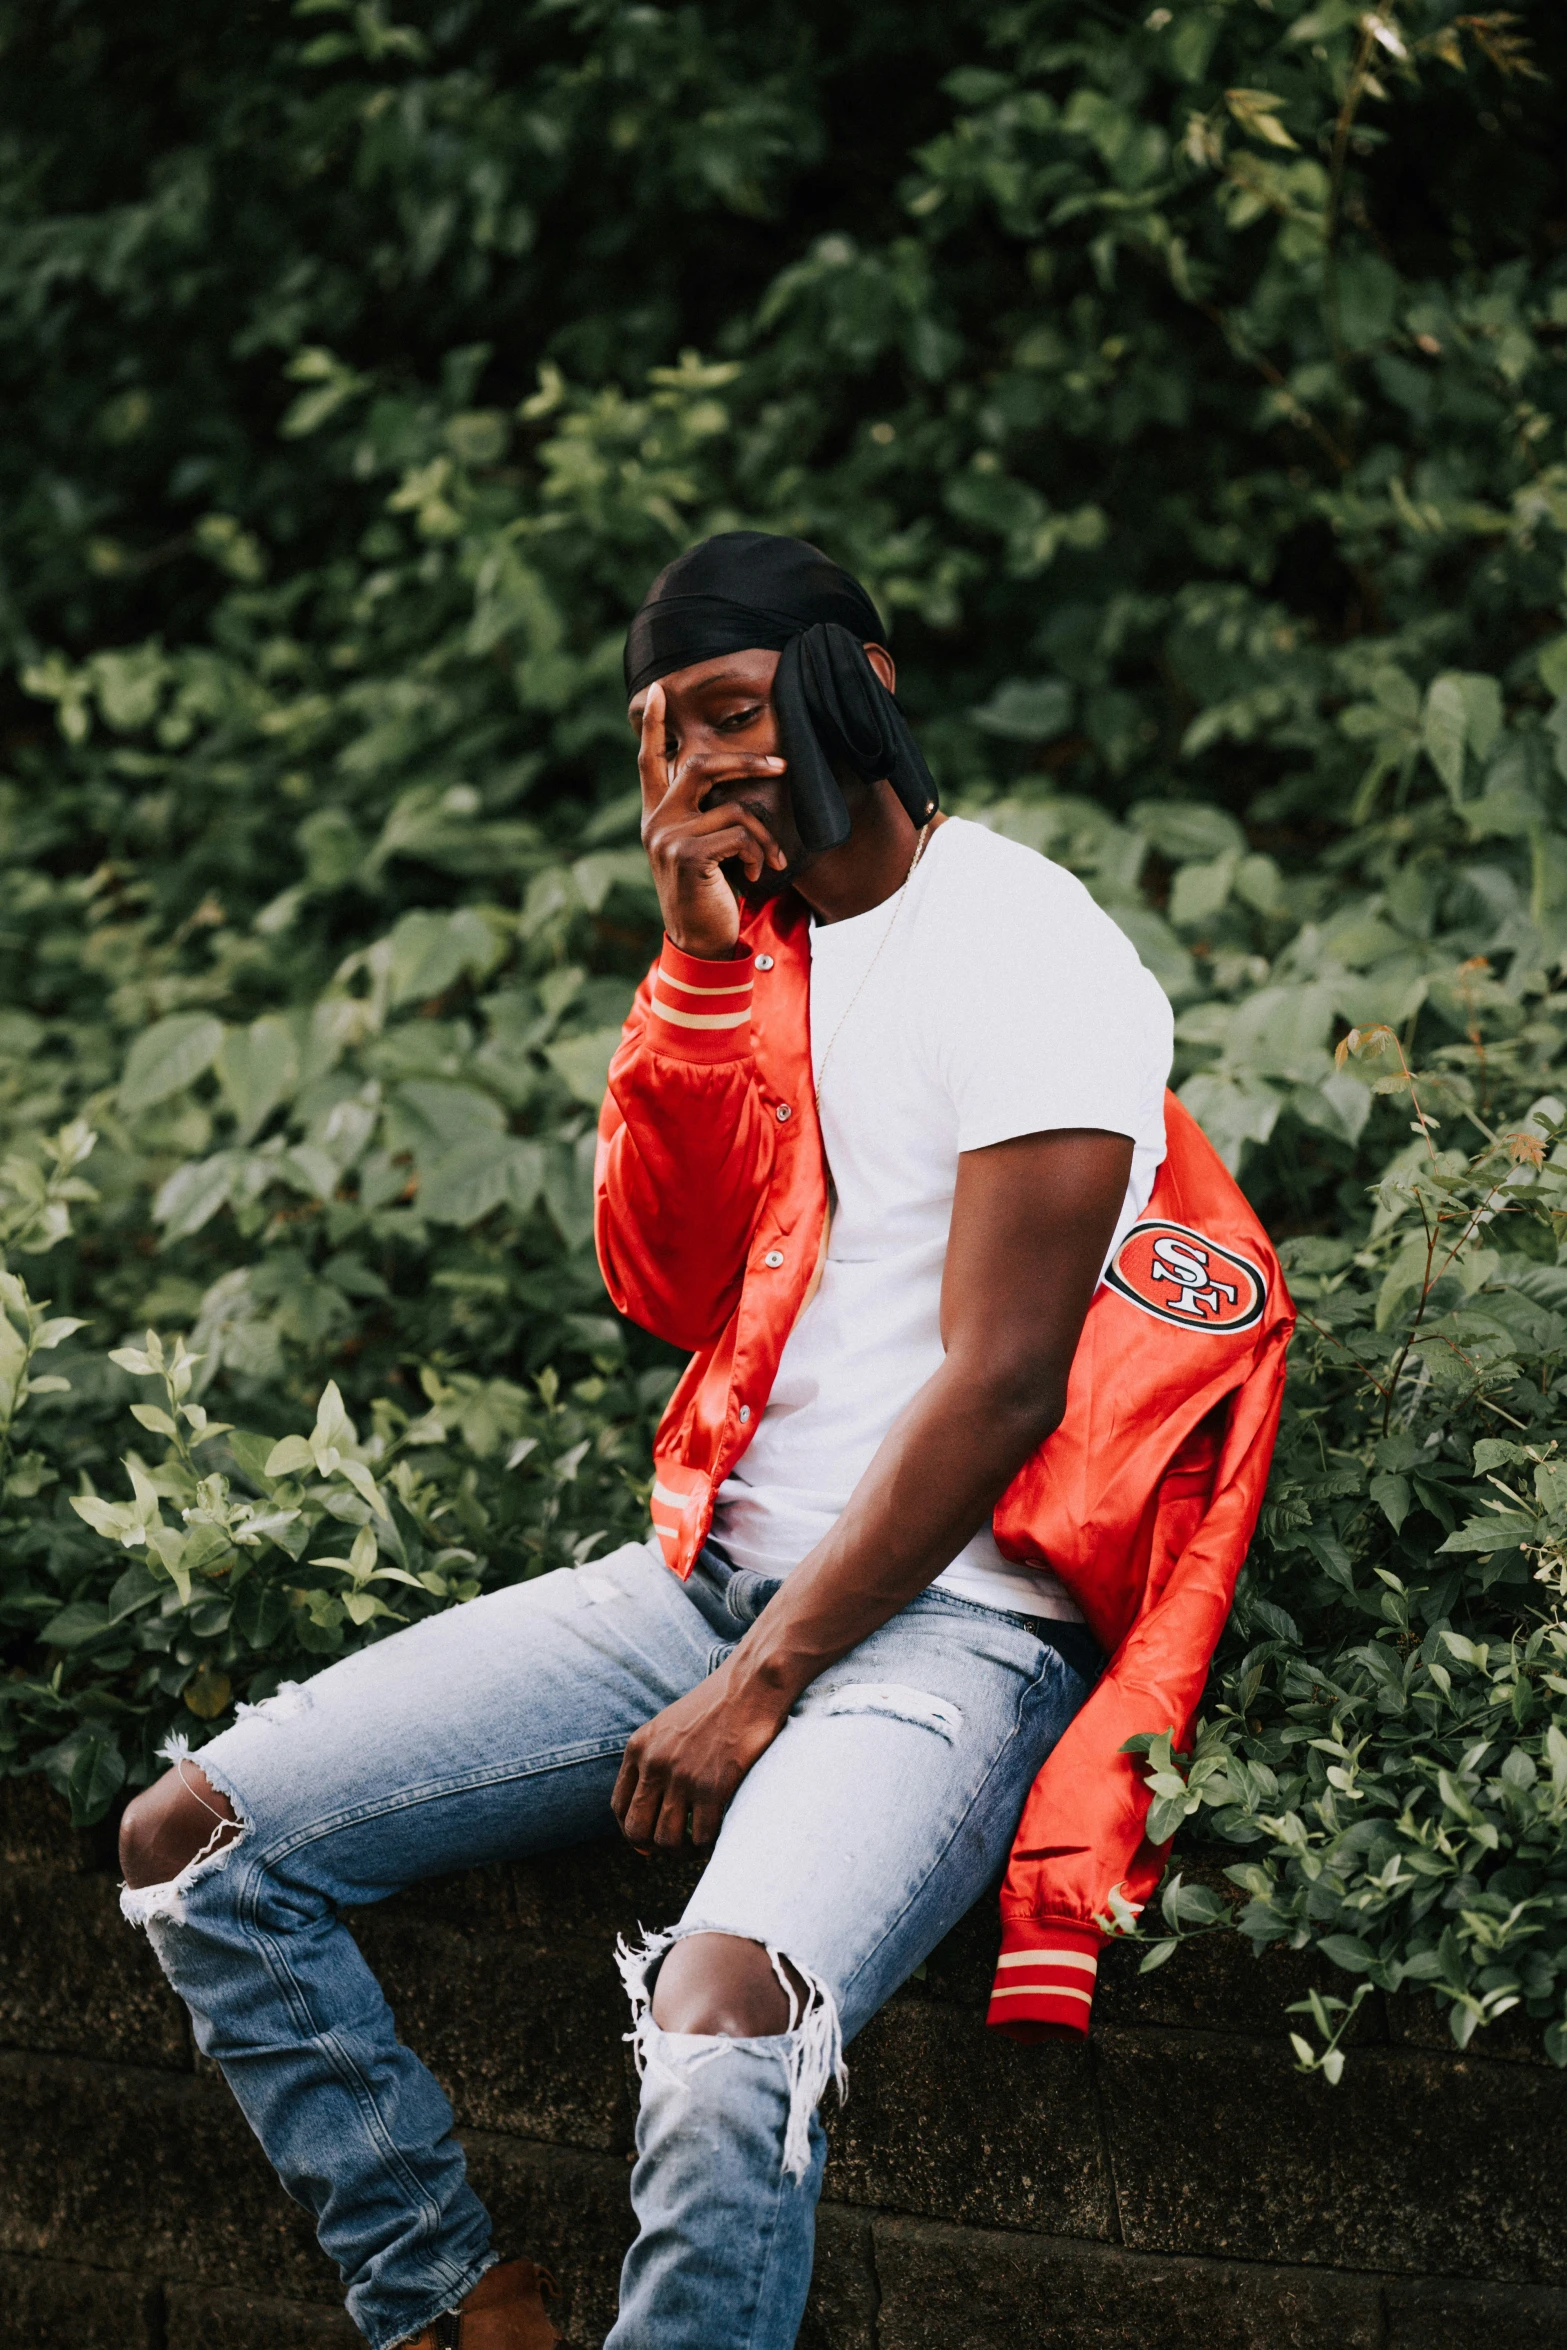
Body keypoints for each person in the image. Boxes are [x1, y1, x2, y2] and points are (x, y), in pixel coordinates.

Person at [116, 532, 1291, 2350]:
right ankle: (453, 2308)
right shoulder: (766, 961)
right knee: (198, 1843)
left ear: (859, 686)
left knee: (725, 2028)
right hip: (705, 1574)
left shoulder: (1028, 941)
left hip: (954, 1629)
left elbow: (1000, 1382)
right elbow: (661, 1281)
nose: (710, 767)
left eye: (740, 712)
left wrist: (765, 1677)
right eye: (670, 735)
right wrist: (691, 957)